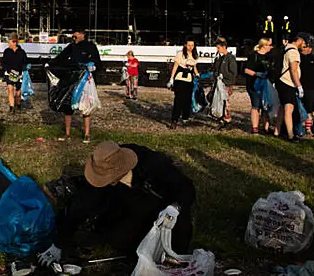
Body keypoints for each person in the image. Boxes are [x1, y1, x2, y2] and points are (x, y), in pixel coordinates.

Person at [38, 142, 196, 266]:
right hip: (131, 213)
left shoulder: (152, 163)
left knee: (177, 242)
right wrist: (58, 244)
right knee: (118, 239)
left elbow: (185, 187)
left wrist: (175, 206)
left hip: (165, 212)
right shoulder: (102, 175)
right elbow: (81, 205)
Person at [50, 27, 103, 142]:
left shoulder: (90, 46)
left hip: (85, 81)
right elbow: (60, 58)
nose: (74, 36)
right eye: (73, 35)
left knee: (86, 106)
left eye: (76, 34)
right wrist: (49, 64)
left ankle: (87, 134)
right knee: (67, 105)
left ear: (82, 34)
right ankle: (67, 133)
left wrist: (93, 67)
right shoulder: (71, 46)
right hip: (71, 79)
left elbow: (98, 62)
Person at [276, 33, 309, 141]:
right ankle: (290, 135)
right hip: (288, 83)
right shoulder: (294, 52)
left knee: (282, 107)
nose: (304, 45)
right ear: (299, 40)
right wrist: (299, 85)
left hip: (281, 81)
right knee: (289, 108)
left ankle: (277, 130)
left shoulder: (285, 48)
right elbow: (293, 70)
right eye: (304, 42)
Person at [244, 38, 273, 135]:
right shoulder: (253, 55)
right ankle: (255, 128)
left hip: (266, 85)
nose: (271, 47)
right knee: (256, 106)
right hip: (254, 85)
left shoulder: (270, 57)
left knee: (266, 107)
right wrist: (257, 74)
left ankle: (266, 128)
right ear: (264, 45)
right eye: (269, 45)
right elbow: (246, 70)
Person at [168, 39, 199, 126]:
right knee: (178, 100)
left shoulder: (194, 55)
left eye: (192, 45)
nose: (190, 47)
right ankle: (174, 120)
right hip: (180, 79)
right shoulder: (180, 54)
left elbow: (194, 67)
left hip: (189, 80)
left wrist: (197, 74)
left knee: (187, 100)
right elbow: (175, 66)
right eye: (189, 45)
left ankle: (185, 117)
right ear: (185, 45)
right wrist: (171, 78)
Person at [209, 38, 237, 126]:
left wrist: (224, 78)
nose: (217, 50)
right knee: (218, 100)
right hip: (219, 83)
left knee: (225, 101)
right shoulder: (220, 58)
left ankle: (227, 119)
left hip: (227, 84)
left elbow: (233, 72)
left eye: (218, 48)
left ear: (224, 47)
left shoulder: (230, 58)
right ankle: (221, 118)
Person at [2, 34, 27, 113]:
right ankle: (11, 107)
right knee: (10, 89)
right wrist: (8, 70)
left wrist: (22, 71)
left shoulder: (22, 52)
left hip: (19, 74)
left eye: (9, 42)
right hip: (9, 74)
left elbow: (25, 63)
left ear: (14, 42)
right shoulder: (6, 51)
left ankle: (18, 104)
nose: (8, 44)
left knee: (18, 91)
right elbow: (3, 62)